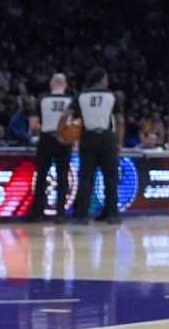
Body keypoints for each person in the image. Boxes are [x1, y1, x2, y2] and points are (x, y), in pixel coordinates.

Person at [73, 70, 124, 224]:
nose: (107, 81)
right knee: (110, 178)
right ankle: (111, 215)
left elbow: (70, 118)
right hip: (107, 139)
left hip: (88, 137)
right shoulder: (112, 96)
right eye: (106, 78)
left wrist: (73, 138)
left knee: (86, 178)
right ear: (102, 80)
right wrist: (119, 143)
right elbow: (120, 121)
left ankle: (82, 216)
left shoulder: (80, 95)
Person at [31, 72, 76, 220]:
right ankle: (61, 214)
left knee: (42, 176)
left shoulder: (42, 99)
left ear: (51, 84)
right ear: (65, 85)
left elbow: (33, 124)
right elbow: (77, 124)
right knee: (63, 177)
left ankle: (37, 214)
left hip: (46, 139)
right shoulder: (72, 100)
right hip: (65, 139)